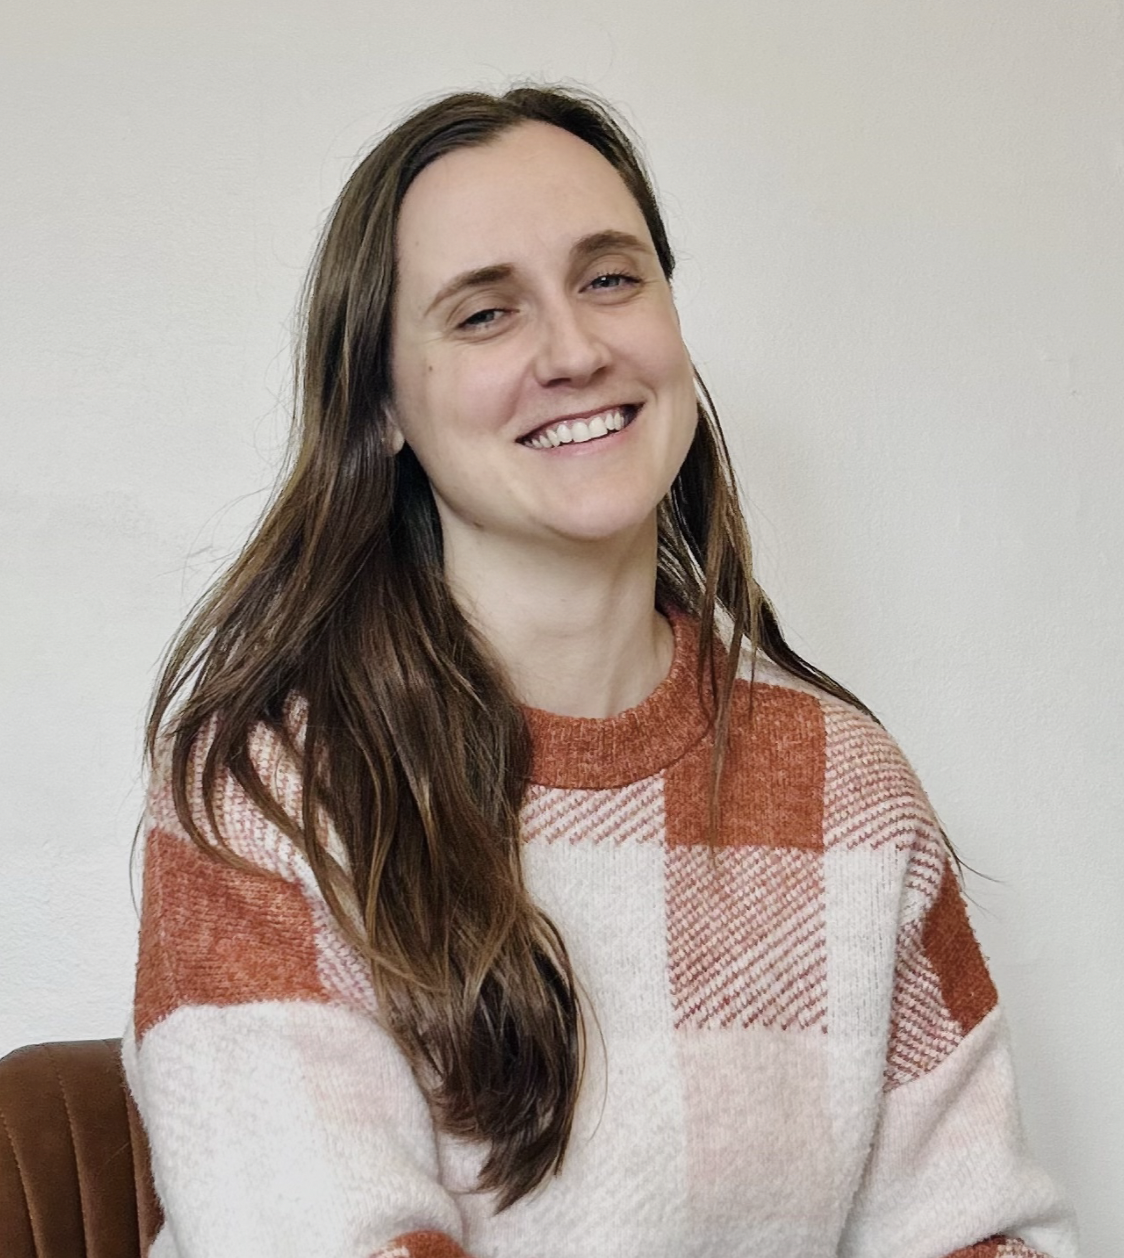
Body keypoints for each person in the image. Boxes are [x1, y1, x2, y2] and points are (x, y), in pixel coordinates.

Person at [125, 85, 1077, 1258]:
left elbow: (975, 1233)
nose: (573, 349)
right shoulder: (266, 793)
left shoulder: (848, 786)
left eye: (609, 277)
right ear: (380, 407)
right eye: (483, 314)